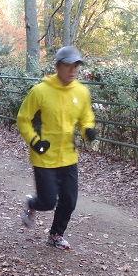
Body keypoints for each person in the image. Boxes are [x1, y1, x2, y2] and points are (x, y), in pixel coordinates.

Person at [16, 46, 96, 250]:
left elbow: (86, 116)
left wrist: (88, 129)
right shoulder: (40, 91)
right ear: (57, 66)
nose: (73, 71)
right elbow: (23, 119)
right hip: (43, 155)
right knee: (48, 201)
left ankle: (56, 235)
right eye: (68, 66)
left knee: (69, 200)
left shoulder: (81, 92)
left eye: (76, 66)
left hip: (68, 155)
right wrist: (35, 142)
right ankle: (33, 204)